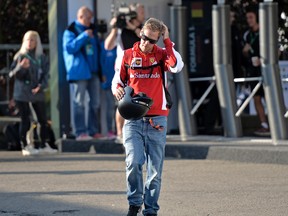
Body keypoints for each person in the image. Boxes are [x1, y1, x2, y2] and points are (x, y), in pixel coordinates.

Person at [112, 18, 184, 216]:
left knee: (154, 171)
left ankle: (151, 210)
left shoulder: (162, 55)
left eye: (152, 40)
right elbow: (117, 81)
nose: (146, 42)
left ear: (157, 40)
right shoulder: (127, 55)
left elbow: (177, 66)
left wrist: (167, 41)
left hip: (157, 119)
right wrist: (117, 90)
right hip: (133, 119)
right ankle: (134, 202)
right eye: (144, 37)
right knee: (134, 162)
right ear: (140, 33)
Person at [10, 30, 57, 156]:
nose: (29, 43)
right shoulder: (20, 56)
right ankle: (24, 145)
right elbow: (13, 75)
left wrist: (41, 86)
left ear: (37, 42)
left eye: (32, 40)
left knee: (42, 119)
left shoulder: (41, 57)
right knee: (26, 120)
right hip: (22, 94)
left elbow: (46, 74)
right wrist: (21, 68)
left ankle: (43, 144)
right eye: (27, 40)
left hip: (37, 92)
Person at [105, 3, 145, 143]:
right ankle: (120, 134)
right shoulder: (121, 30)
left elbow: (147, 40)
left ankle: (141, 132)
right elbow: (108, 46)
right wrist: (115, 28)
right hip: (123, 68)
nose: (142, 13)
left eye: (142, 11)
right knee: (122, 100)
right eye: (140, 11)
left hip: (140, 69)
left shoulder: (143, 29)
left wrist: (134, 28)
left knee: (140, 99)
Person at [63, 6, 103, 141]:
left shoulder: (93, 29)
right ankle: (80, 132)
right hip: (79, 72)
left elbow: (97, 51)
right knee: (79, 103)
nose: (90, 20)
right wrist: (84, 36)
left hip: (94, 72)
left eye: (91, 18)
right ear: (81, 17)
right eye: (88, 18)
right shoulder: (71, 30)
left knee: (95, 103)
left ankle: (93, 131)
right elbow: (69, 48)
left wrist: (101, 70)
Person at [242, 5, 270, 136]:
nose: (249, 20)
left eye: (251, 17)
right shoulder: (247, 35)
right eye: (247, 18)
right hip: (253, 72)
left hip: (266, 70)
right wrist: (246, 52)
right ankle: (263, 124)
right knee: (257, 98)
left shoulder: (265, 32)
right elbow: (244, 54)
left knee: (270, 98)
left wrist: (263, 59)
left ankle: (277, 122)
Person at [100, 40, 117, 139]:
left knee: (120, 108)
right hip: (108, 83)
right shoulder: (104, 45)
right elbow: (100, 61)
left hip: (121, 84)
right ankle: (110, 131)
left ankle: (119, 130)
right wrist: (102, 74)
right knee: (110, 108)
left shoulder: (120, 45)